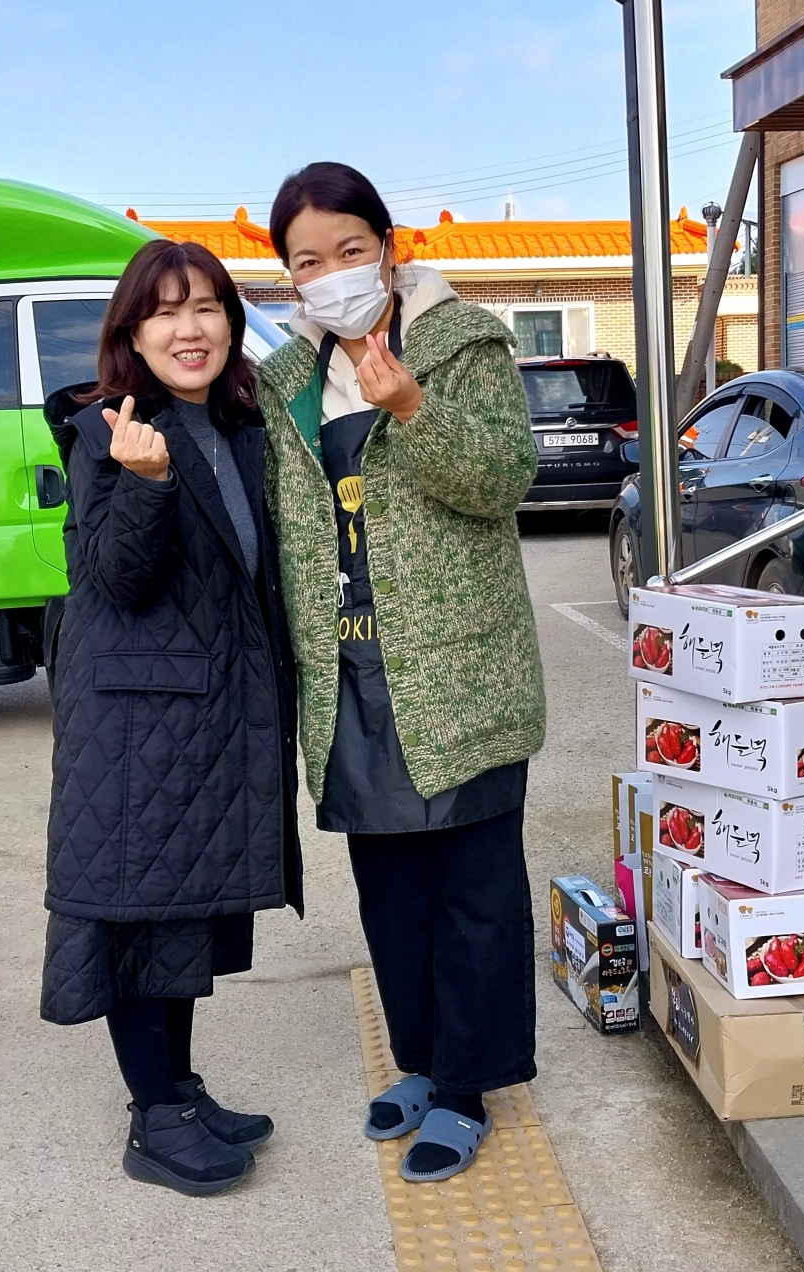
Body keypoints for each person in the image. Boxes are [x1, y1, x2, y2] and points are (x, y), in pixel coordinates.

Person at [255, 163, 545, 1185]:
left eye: (349, 250)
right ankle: (420, 1062)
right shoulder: (284, 383)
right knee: (389, 892)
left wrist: (414, 407)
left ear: (388, 248)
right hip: (348, 674)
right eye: (307, 261)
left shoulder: (462, 346)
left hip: (458, 668)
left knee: (473, 890)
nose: (331, 274)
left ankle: (467, 1087)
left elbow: (505, 479)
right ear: (288, 278)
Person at [40, 239, 302, 1198]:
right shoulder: (108, 428)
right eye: (164, 312)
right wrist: (144, 484)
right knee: (136, 915)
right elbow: (115, 578)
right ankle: (154, 1118)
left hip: (203, 715)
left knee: (178, 914)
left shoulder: (235, 423)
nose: (188, 329)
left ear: (231, 321)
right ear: (132, 332)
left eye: (205, 308)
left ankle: (180, 1092)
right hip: (134, 725)